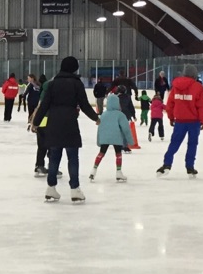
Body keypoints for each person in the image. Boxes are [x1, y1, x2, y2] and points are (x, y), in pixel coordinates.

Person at [29, 56, 98, 202]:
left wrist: (36, 122)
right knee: (72, 157)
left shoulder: (52, 84)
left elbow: (44, 105)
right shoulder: (76, 83)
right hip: (70, 124)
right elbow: (84, 105)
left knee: (54, 156)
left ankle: (51, 189)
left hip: (54, 124)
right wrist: (96, 118)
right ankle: (75, 190)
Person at [156, 64, 203, 177]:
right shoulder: (198, 87)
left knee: (174, 143)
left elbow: (170, 104)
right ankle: (190, 167)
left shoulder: (176, 87)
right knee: (192, 144)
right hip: (194, 121)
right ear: (194, 75)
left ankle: (166, 164)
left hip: (179, 121)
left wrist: (170, 117)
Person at [90, 93, 131, 183]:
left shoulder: (104, 115)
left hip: (105, 137)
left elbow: (100, 129)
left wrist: (98, 141)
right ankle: (118, 172)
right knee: (118, 154)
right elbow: (126, 129)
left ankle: (93, 170)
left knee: (101, 153)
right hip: (117, 137)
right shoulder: (120, 115)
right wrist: (130, 141)